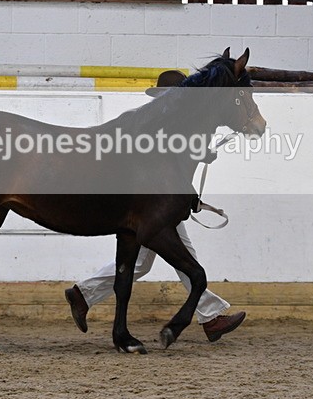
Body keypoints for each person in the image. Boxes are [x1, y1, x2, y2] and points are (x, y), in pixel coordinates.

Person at [64, 69, 246, 342]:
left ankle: (83, 294)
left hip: (157, 203)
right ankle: (211, 316)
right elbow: (163, 162)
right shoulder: (162, 122)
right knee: (182, 258)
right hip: (153, 205)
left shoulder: (167, 121)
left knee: (143, 263)